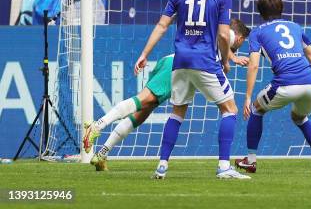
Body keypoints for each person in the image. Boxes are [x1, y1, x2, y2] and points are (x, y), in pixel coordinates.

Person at [129, 0, 249, 179]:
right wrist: (226, 60)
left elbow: (162, 25)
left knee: (177, 112)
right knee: (230, 110)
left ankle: (162, 164)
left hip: (181, 60)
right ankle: (224, 167)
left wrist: (144, 53)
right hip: (205, 60)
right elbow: (224, 35)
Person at [84, 18, 251, 171]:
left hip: (173, 64)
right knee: (143, 100)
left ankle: (102, 154)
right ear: (240, 38)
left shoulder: (217, 45)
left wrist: (228, 58)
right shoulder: (227, 34)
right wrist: (233, 58)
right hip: (174, 66)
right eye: (241, 43)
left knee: (142, 113)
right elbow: (220, 34)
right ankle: (97, 125)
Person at [235, 0, 311, 174]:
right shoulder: (296, 27)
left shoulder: (257, 32)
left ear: (260, 12)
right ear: (281, 9)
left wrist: (248, 96)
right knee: (300, 117)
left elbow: (254, 65)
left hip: (285, 83)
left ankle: (250, 161)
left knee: (257, 109)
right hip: (310, 83)